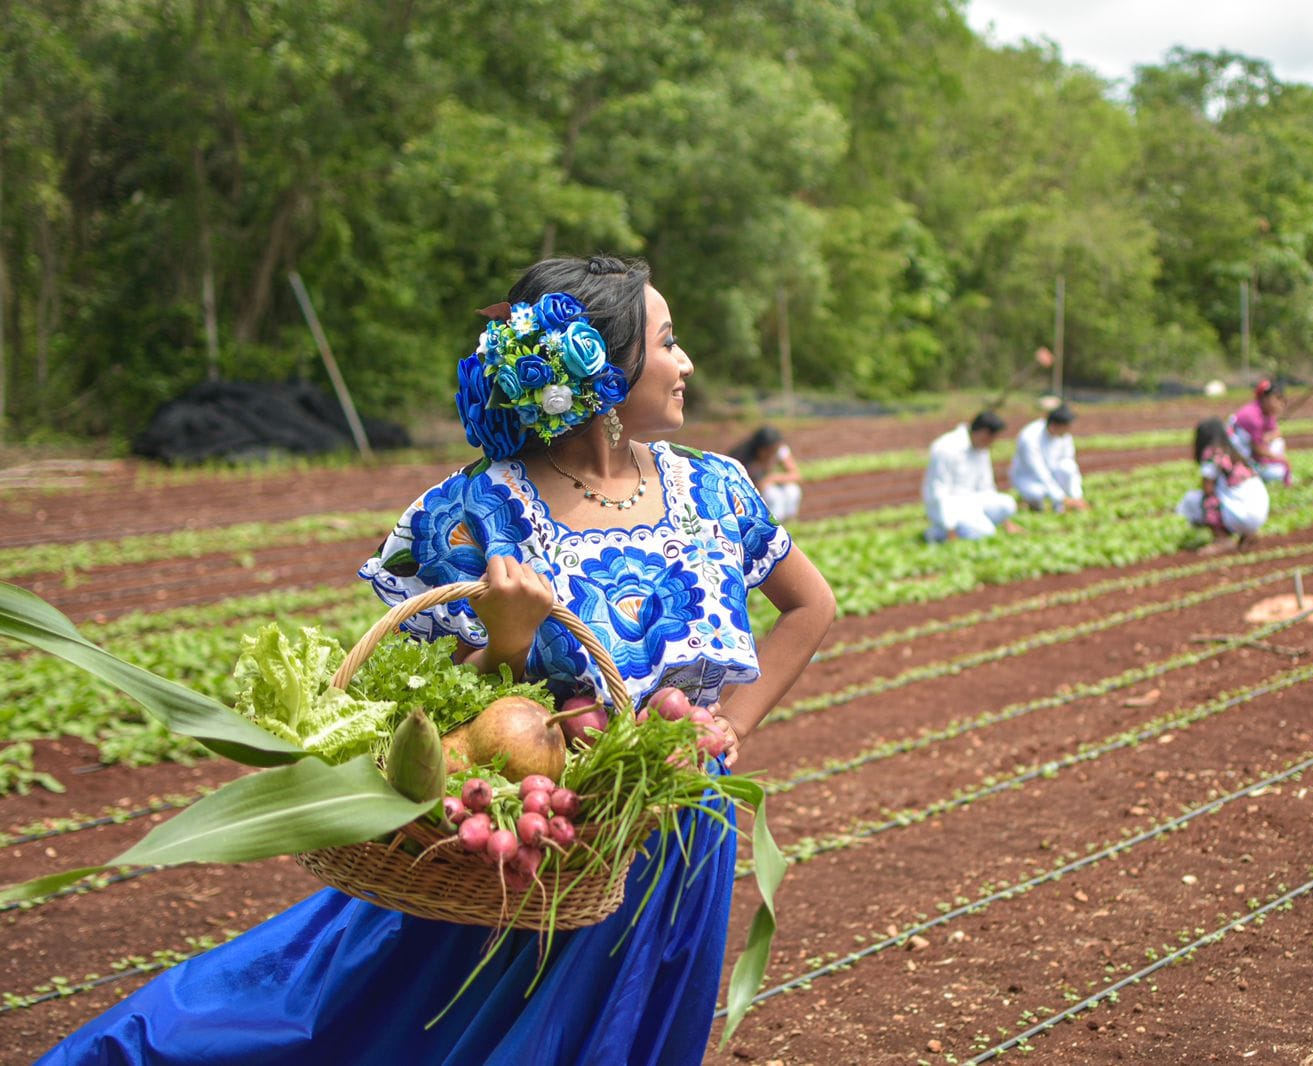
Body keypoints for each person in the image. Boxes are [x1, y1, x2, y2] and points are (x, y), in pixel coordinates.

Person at [40, 256, 836, 1066]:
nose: (686, 363)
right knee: (403, 1012)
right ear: (600, 367)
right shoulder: (474, 511)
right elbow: (449, 719)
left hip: (679, 821)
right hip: (535, 833)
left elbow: (813, 605)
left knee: (637, 1021)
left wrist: (728, 730)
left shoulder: (717, 487)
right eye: (669, 343)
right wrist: (512, 642)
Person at [922, 410, 1020, 542]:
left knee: (1007, 504)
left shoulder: (981, 448)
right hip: (948, 504)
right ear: (983, 433)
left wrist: (1006, 522)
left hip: (970, 501)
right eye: (991, 439)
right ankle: (938, 532)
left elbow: (986, 487)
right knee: (986, 533)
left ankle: (972, 524)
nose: (992, 444)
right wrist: (949, 527)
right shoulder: (946, 448)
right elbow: (939, 491)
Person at [1176, 417, 1270, 554]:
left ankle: (1222, 539)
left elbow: (1207, 488)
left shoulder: (1212, 453)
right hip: (1260, 509)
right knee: (1227, 492)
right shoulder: (1233, 448)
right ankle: (1249, 533)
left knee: (1197, 500)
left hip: (1242, 515)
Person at [1009, 402, 1089, 513]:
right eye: (1066, 427)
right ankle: (1034, 504)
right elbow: (1039, 472)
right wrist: (1063, 499)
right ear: (1054, 425)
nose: (1068, 431)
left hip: (1053, 475)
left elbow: (1071, 465)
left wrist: (1077, 496)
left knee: (1067, 466)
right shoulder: (1030, 437)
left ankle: (1062, 505)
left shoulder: (1064, 436)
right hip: (1029, 478)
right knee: (1037, 496)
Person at [728, 425, 803, 523]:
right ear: (761, 449)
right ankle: (773, 527)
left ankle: (789, 522)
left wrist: (771, 478)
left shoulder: (779, 450)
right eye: (770, 451)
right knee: (773, 496)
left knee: (792, 490)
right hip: (748, 496)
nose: (773, 454)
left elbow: (796, 475)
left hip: (766, 483)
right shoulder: (741, 458)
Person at [1228, 378, 1292, 484]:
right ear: (1264, 399)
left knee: (1278, 443)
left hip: (1251, 451)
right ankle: (1252, 473)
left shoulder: (1267, 412)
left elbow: (1277, 432)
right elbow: (1257, 449)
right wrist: (1282, 460)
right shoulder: (1253, 417)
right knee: (1278, 473)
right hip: (1237, 455)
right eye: (1277, 399)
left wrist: (1267, 437)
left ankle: (1258, 471)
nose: (1280, 403)